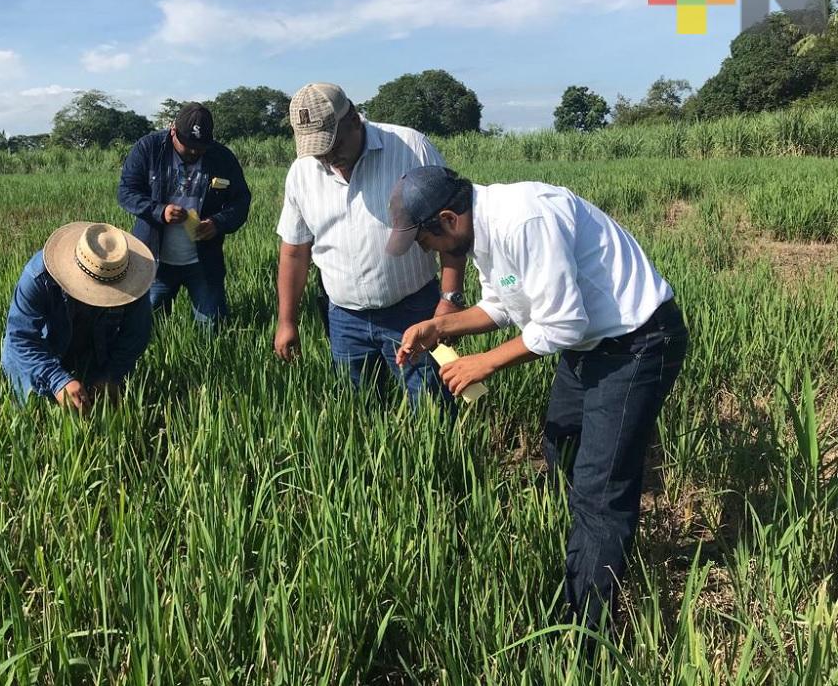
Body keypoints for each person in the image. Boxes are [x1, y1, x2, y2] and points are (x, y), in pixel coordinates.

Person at [390, 166, 689, 629]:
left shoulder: (522, 221)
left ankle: (587, 632)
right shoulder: (483, 231)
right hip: (589, 343)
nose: (426, 252)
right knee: (561, 443)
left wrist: (484, 362)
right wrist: (440, 326)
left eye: (424, 241)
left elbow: (562, 324)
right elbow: (504, 305)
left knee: (600, 488)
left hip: (637, 342)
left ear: (448, 219)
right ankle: (574, 554)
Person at [273, 82, 466, 406]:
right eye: (318, 149)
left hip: (414, 310)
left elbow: (452, 227)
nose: (327, 157)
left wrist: (450, 300)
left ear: (352, 118)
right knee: (360, 414)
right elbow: (294, 251)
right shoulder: (302, 172)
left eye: (332, 144)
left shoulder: (410, 147)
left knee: (432, 410)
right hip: (344, 319)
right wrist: (287, 321)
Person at [117, 102, 251, 326]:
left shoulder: (222, 157)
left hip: (203, 261)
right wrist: (160, 211)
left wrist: (217, 223)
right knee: (149, 328)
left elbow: (241, 200)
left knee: (212, 328)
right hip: (155, 260)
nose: (193, 152)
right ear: (172, 131)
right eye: (187, 145)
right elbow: (126, 192)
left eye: (200, 148)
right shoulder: (148, 149)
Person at [1, 222, 155, 412]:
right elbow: (20, 338)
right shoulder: (38, 276)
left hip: (94, 351)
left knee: (98, 409)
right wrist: (57, 380)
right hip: (40, 353)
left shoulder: (132, 280)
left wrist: (111, 376)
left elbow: (135, 336)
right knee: (35, 413)